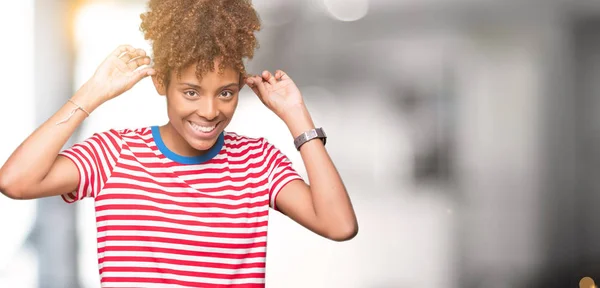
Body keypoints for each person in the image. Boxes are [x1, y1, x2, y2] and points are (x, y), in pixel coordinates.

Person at [0, 0, 358, 286]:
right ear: (161, 84)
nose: (210, 110)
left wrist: (297, 115)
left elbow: (339, 225)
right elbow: (15, 181)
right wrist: (92, 94)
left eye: (226, 93)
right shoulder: (114, 154)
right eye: (191, 91)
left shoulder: (256, 161)